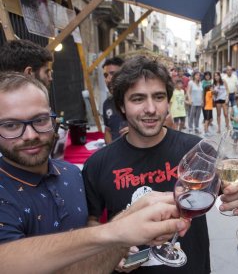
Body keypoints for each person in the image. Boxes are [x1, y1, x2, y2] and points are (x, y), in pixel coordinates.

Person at [0, 72, 190, 273]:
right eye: (11, 125)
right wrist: (117, 230)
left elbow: (91, 238)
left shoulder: (71, 173)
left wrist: (112, 252)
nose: (30, 135)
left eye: (40, 120)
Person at [82, 56, 211, 274]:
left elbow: (229, 193)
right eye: (138, 99)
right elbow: (91, 222)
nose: (150, 108)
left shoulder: (196, 151)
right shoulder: (97, 164)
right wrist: (111, 249)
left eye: (158, 97)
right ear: (122, 105)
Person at [102, 57, 128, 144]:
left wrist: (137, 134)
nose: (108, 79)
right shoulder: (107, 104)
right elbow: (108, 130)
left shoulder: (139, 101)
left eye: (113, 73)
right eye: (105, 75)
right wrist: (109, 152)